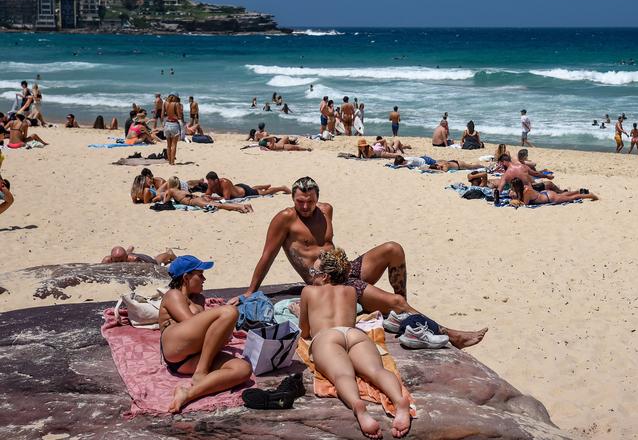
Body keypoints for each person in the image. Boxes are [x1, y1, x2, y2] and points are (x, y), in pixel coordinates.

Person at [231, 177, 487, 349]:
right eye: (300, 201)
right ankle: (450, 334)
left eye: (310, 201)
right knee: (397, 303)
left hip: (345, 270)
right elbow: (267, 256)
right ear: (293, 199)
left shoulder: (326, 210)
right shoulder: (284, 220)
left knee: (393, 249)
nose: (306, 206)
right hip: (326, 282)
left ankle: (397, 316)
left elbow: (328, 245)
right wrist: (250, 291)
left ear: (318, 198)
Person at [295, 248, 411, 439]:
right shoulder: (350, 291)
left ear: (324, 277)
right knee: (376, 371)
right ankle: (400, 401)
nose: (311, 277)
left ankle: (359, 407)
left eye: (314, 273)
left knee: (342, 375)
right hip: (354, 335)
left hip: (327, 338)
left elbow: (305, 331)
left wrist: (298, 311)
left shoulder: (308, 291)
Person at [158, 255, 252, 413]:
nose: (204, 279)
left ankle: (188, 394)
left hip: (189, 359)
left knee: (243, 369)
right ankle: (201, 372)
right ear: (186, 277)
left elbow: (203, 330)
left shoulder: (199, 299)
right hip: (174, 346)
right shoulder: (173, 295)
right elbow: (190, 324)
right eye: (200, 275)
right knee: (229, 312)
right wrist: (222, 328)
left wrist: (221, 331)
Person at [164, 176, 254, 212]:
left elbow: (165, 202)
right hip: (196, 198)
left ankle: (241, 206)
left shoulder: (171, 191)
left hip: (194, 201)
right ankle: (241, 206)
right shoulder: (181, 190)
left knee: (218, 205)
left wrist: (165, 195)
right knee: (218, 204)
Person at [496, 154, 560, 194]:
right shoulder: (522, 166)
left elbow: (499, 190)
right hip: (531, 191)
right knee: (549, 184)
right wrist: (547, 176)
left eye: (500, 164)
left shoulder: (505, 175)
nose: (500, 166)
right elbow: (536, 173)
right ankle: (561, 192)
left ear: (503, 162)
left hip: (519, 194)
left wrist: (495, 194)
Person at [509, 178, 598, 206]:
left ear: (516, 187)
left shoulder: (526, 191)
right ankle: (578, 191)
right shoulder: (524, 188)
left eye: (512, 187)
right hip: (545, 193)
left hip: (549, 198)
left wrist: (513, 201)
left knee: (570, 198)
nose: (511, 188)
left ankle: (590, 195)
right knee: (564, 194)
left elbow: (525, 204)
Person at [202, 171, 290, 199]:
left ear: (216, 180)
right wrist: (206, 197)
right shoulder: (211, 184)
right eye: (208, 182)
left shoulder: (224, 183)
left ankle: (281, 188)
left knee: (263, 193)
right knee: (254, 189)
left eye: (210, 182)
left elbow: (226, 199)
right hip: (238, 187)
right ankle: (263, 186)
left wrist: (213, 198)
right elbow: (207, 194)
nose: (208, 184)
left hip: (244, 192)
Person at [101, 245, 176, 265]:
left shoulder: (134, 260)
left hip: (144, 259)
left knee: (157, 261)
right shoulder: (107, 260)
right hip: (127, 255)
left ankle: (169, 254)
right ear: (111, 259)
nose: (119, 264)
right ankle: (129, 249)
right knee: (126, 254)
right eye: (116, 262)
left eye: (121, 261)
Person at [163, 94, 182, 165]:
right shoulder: (176, 104)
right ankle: (172, 162)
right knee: (174, 145)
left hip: (167, 124)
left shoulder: (165, 103)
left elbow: (163, 114)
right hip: (174, 124)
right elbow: (179, 116)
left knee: (168, 145)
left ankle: (169, 161)